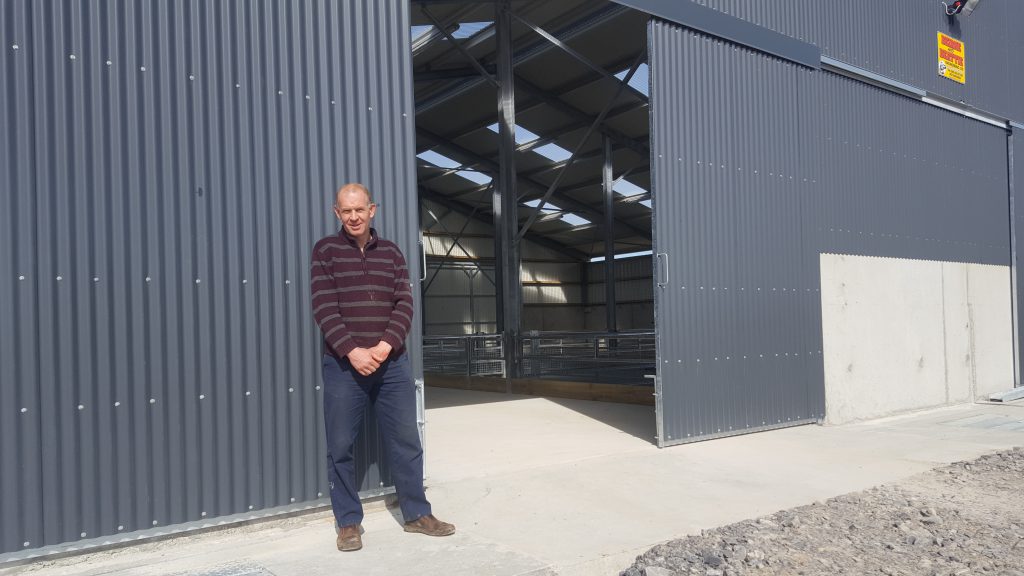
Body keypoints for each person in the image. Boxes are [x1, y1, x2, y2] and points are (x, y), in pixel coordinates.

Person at [310, 182, 455, 552]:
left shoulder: (391, 253)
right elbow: (324, 308)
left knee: (406, 441)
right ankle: (348, 523)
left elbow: (404, 303)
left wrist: (384, 345)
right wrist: (353, 352)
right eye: (347, 211)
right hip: (344, 367)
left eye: (360, 209)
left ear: (372, 210)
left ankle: (417, 514)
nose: (354, 217)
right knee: (341, 445)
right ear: (336, 213)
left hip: (391, 365)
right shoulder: (325, 251)